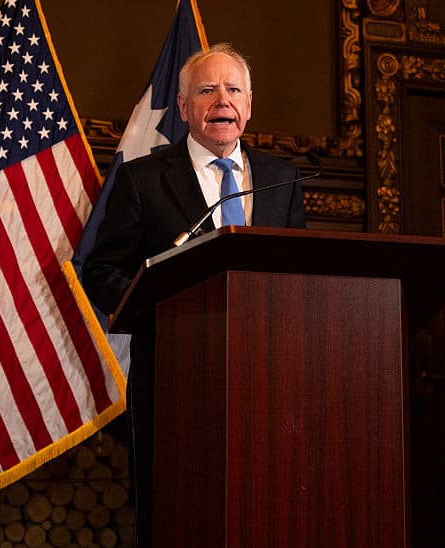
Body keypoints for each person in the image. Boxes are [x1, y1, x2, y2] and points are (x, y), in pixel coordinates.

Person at [82, 43, 306, 546]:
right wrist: (163, 304)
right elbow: (101, 270)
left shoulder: (281, 179)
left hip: (268, 377)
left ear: (248, 105)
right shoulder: (142, 179)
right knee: (178, 513)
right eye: (207, 90)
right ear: (184, 109)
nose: (221, 100)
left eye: (232, 90)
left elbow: (296, 272)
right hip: (175, 372)